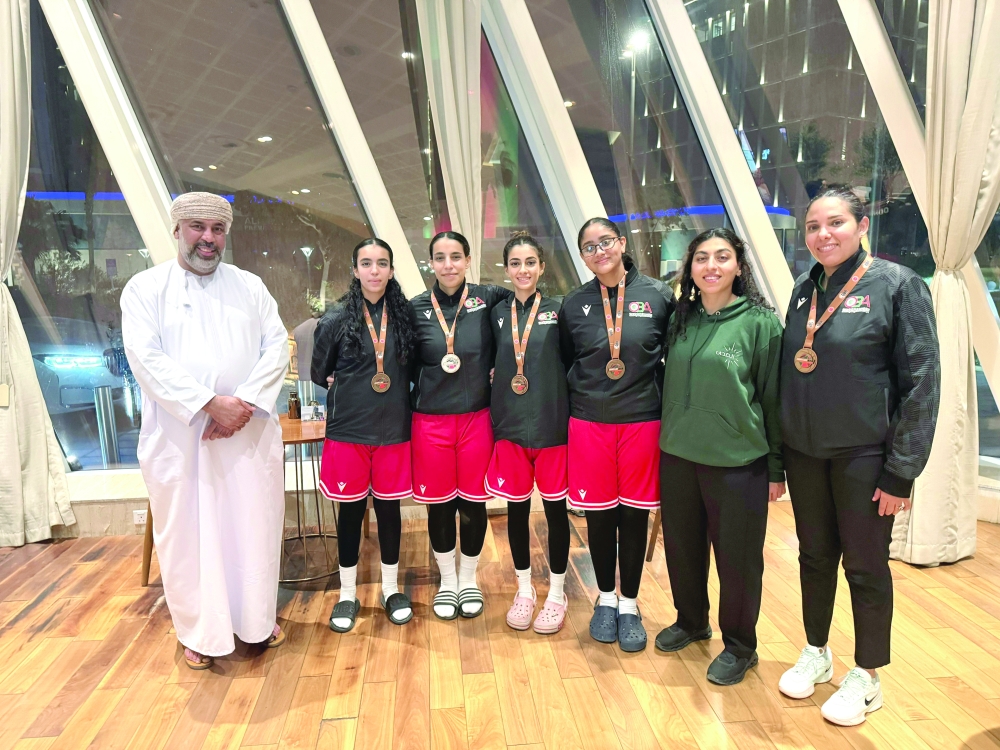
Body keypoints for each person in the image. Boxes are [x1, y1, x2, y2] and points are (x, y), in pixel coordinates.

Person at [777, 186, 940, 725]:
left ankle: (868, 676)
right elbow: (788, 374)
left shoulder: (897, 285)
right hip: (805, 452)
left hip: (865, 457)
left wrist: (901, 473)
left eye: (836, 223)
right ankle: (817, 651)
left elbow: (922, 384)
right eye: (813, 227)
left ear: (862, 225)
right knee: (814, 556)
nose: (823, 235)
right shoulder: (804, 290)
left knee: (866, 566)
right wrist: (780, 454)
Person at [121, 192, 289, 670]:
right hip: (182, 438)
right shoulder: (145, 289)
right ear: (177, 230)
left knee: (252, 527)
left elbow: (277, 348)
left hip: (247, 437)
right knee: (188, 536)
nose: (208, 238)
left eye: (217, 229)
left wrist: (244, 404)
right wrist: (208, 404)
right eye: (197, 227)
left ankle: (256, 619)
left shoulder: (251, 286)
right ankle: (198, 630)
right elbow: (145, 359)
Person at [654, 228, 785, 686]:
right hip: (677, 455)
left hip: (737, 461)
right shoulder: (680, 318)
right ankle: (691, 621)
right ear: (689, 268)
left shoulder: (760, 323)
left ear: (738, 266)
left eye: (722, 257)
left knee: (738, 560)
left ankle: (740, 646)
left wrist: (775, 469)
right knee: (684, 550)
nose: (711, 266)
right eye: (702, 258)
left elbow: (773, 398)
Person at [559, 217, 674, 652]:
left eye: (605, 242)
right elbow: (569, 359)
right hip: (589, 422)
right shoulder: (574, 304)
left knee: (633, 516)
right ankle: (605, 598)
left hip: (643, 419)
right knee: (599, 516)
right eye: (589, 247)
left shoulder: (659, 296)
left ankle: (630, 603)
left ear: (622, 243)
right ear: (583, 256)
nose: (599, 251)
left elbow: (671, 357)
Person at [311, 239, 416, 632]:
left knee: (389, 511)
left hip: (393, 432)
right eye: (366, 264)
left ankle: (391, 589)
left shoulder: (404, 317)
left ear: (391, 270)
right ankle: (347, 594)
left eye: (382, 263)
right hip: (349, 432)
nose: (375, 271)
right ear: (355, 271)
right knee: (351, 513)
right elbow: (318, 373)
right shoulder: (336, 318)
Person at [409, 231, 512, 619]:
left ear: (468, 260)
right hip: (430, 421)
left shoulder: (490, 299)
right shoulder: (415, 307)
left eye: (456, 256)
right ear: (431, 263)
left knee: (472, 503)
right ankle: (447, 581)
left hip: (476, 419)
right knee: (439, 506)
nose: (448, 264)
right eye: (440, 257)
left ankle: (468, 580)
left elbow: (527, 309)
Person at [484, 232, 571, 634]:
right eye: (516, 263)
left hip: (553, 427)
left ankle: (556, 593)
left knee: (555, 514)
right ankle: (524, 590)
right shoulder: (496, 313)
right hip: (511, 428)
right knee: (516, 512)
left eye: (531, 262)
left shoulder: (560, 310)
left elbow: (573, 363)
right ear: (507, 269)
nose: (523, 270)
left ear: (541, 267)